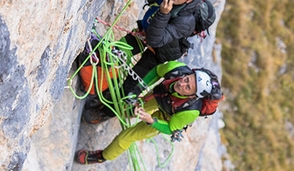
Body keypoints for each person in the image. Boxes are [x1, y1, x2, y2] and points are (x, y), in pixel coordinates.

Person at [82, 0, 214, 123]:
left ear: (190, 0)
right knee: (113, 54)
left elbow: (155, 41)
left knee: (130, 87)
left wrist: (164, 14)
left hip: (159, 53)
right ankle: (102, 90)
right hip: (145, 32)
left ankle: (105, 112)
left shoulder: (186, 21)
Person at [76, 61, 223, 164]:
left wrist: (151, 120)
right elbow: (157, 71)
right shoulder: (176, 69)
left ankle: (102, 157)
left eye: (188, 87)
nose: (182, 84)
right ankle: (109, 110)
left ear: (192, 96)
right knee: (128, 110)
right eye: (186, 79)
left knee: (126, 138)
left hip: (166, 116)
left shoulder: (190, 112)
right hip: (160, 96)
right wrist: (137, 90)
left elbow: (170, 128)